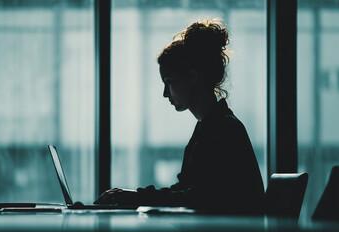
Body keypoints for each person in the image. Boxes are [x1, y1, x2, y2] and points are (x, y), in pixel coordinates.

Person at [95, 18, 265, 214]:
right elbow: (189, 193)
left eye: (169, 82)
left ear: (193, 76)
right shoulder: (214, 126)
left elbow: (196, 198)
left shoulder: (221, 130)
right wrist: (136, 196)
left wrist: (136, 197)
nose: (165, 93)